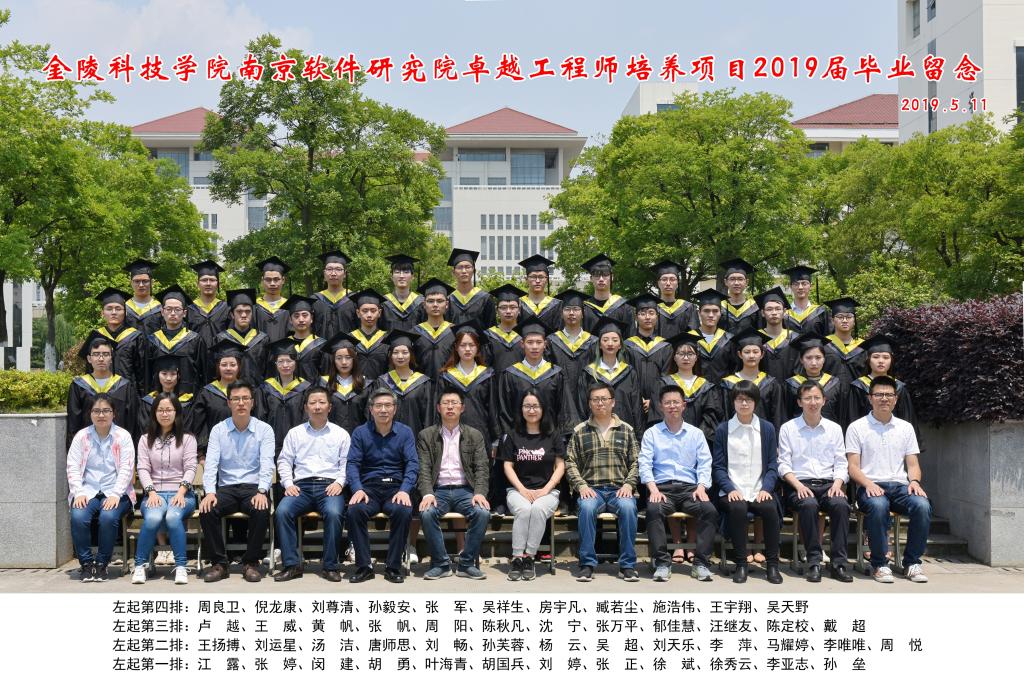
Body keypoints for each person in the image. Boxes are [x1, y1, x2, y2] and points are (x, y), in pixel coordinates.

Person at [846, 375, 932, 584]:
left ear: (896, 399)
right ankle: (880, 564)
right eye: (879, 395)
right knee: (878, 506)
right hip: (869, 486)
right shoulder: (857, 427)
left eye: (888, 395)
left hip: (900, 486)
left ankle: (912, 563)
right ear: (870, 398)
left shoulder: (905, 427)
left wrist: (915, 482)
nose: (884, 398)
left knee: (922, 505)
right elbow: (852, 467)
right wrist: (868, 484)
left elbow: (913, 465)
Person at [640, 384, 720, 582]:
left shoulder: (695, 433)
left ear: (684, 405)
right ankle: (662, 563)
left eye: (676, 402)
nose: (672, 406)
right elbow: (645, 463)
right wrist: (653, 489)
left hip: (689, 490)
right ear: (660, 406)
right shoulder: (652, 433)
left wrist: (701, 487)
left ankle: (701, 563)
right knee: (653, 510)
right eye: (667, 403)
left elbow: (705, 463)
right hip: (662, 489)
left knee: (709, 510)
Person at [199, 380, 275, 583]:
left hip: (253, 487)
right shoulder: (218, 430)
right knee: (207, 509)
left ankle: (251, 563)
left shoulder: (264, 430)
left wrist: (262, 491)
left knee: (261, 509)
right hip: (227, 488)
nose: (241, 403)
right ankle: (219, 564)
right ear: (228, 402)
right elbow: (211, 464)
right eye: (236, 399)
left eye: (245, 398)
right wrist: (210, 492)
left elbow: (267, 464)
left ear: (252, 402)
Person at [273, 386, 351, 583]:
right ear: (306, 407)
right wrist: (288, 483)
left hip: (329, 486)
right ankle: (292, 565)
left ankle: (330, 566)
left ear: (329, 407)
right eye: (313, 403)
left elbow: (347, 463)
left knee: (334, 513)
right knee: (282, 512)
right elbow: (284, 461)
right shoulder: (295, 433)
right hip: (301, 487)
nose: (317, 407)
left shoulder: (340, 434)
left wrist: (340, 482)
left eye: (322, 402)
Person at [778, 382, 853, 583]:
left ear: (824, 401)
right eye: (808, 398)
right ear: (799, 402)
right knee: (809, 505)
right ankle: (813, 562)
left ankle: (838, 564)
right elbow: (783, 464)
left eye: (817, 398)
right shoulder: (788, 428)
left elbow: (841, 462)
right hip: (799, 484)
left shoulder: (834, 429)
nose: (813, 402)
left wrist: (838, 484)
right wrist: (798, 486)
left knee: (841, 505)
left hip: (829, 484)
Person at [565, 384, 640, 583]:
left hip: (619, 489)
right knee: (587, 508)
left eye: (604, 399)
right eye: (595, 399)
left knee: (628, 508)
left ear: (612, 402)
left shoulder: (626, 430)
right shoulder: (580, 431)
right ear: (589, 403)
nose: (600, 403)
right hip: (592, 490)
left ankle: (627, 565)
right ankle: (587, 564)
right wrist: (581, 486)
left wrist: (629, 485)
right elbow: (570, 462)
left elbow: (636, 462)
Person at [712, 380, 784, 584]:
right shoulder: (724, 429)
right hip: (732, 490)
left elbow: (772, 464)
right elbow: (718, 467)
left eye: (749, 400)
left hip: (759, 489)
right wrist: (729, 488)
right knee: (738, 508)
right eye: (739, 399)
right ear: (733, 402)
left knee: (770, 508)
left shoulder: (767, 429)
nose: (744, 404)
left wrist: (766, 488)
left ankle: (772, 565)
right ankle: (741, 563)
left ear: (756, 402)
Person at [346, 388, 420, 583]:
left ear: (395, 409)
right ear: (371, 409)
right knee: (354, 510)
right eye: (378, 406)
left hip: (395, 488)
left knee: (403, 510)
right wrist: (357, 489)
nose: (383, 410)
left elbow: (412, 464)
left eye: (388, 405)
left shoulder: (405, 432)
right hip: (368, 488)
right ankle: (364, 566)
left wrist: (404, 490)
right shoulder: (360, 432)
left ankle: (393, 566)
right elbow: (352, 463)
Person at [416, 388, 491, 580]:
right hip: (438, 491)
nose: (450, 407)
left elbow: (482, 468)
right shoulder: (426, 435)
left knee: (482, 512)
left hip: (465, 491)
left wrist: (479, 492)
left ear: (462, 408)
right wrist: (427, 493)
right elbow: (423, 469)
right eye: (446, 403)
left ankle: (466, 564)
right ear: (438, 408)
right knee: (427, 512)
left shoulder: (474, 435)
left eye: (454, 403)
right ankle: (441, 564)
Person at [66, 394, 136, 582]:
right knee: (78, 516)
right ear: (90, 414)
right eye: (96, 411)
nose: (101, 415)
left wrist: (115, 494)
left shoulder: (123, 436)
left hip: (117, 492)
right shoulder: (82, 436)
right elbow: (72, 466)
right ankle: (86, 564)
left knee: (108, 517)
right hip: (87, 491)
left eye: (106, 411)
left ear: (114, 413)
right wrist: (78, 492)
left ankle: (102, 564)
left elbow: (127, 468)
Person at [131, 393, 198, 585]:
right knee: (152, 518)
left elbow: (190, 467)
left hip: (182, 493)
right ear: (154, 413)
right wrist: (151, 492)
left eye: (169, 409)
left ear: (176, 412)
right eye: (160, 410)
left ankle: (181, 566)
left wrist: (181, 492)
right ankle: (140, 565)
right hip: (155, 494)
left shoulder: (188, 439)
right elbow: (143, 468)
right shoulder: (145, 439)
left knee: (173, 517)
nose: (165, 414)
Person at [499, 390, 565, 581]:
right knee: (524, 509)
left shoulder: (553, 435)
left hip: (548, 491)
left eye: (535, 406)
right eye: (527, 406)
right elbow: (507, 466)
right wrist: (522, 489)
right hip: (517, 490)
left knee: (537, 509)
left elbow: (561, 465)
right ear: (521, 409)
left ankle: (529, 557)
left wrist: (546, 489)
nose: (531, 410)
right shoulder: (513, 435)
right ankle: (517, 558)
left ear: (543, 409)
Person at [498, 319, 575, 439]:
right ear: (522, 344)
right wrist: (508, 436)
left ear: (545, 344)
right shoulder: (510, 374)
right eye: (530, 342)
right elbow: (505, 410)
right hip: (519, 439)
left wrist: (561, 438)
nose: (534, 347)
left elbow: (564, 408)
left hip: (550, 437)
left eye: (539, 342)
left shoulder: (555, 374)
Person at [67, 332, 138, 449]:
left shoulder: (124, 386)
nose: (101, 358)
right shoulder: (79, 386)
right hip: (88, 448)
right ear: (89, 359)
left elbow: (132, 423)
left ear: (111, 358)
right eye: (96, 354)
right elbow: (73, 424)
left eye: (105, 354)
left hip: (118, 448)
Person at [194, 339, 262, 458]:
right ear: (218, 367)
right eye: (224, 365)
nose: (228, 368)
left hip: (246, 450)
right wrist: (202, 453)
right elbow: (200, 425)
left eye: (233, 364)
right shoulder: (207, 393)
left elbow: (257, 420)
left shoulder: (249, 392)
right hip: (215, 451)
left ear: (239, 367)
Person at [579, 317, 646, 437]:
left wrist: (638, 435)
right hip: (595, 432)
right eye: (605, 340)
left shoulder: (629, 373)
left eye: (615, 340)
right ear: (600, 345)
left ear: (620, 345)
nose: (610, 343)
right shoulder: (589, 373)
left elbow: (636, 407)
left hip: (625, 432)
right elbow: (582, 406)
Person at [143, 285, 207, 396]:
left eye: (177, 309)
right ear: (162, 312)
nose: (173, 313)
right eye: (168, 309)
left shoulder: (195, 340)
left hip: (189, 400)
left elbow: (204, 374)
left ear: (184, 313)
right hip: (159, 400)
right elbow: (146, 375)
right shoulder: (152, 340)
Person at [721, 330, 786, 431]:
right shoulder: (728, 384)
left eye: (755, 352)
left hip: (763, 435)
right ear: (740, 354)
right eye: (747, 352)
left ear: (762, 354)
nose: (751, 356)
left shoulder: (771, 384)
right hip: (734, 435)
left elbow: (778, 416)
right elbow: (725, 415)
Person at [371, 331, 434, 436]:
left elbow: (428, 416)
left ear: (411, 355)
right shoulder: (382, 382)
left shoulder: (423, 383)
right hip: (386, 439)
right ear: (390, 355)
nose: (400, 356)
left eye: (405, 352)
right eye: (395, 352)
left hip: (415, 437)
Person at [261, 339, 313, 458]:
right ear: (275, 363)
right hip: (271, 444)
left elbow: (307, 417)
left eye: (289, 361)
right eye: (280, 361)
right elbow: (261, 416)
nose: (285, 365)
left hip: (299, 444)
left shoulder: (305, 388)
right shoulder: (266, 388)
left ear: (295, 362)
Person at [544, 290, 597, 406]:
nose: (571, 313)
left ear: (582, 314)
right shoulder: (552, 341)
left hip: (587, 401)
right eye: (567, 309)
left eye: (576, 309)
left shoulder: (593, 342)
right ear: (561, 313)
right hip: (559, 400)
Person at [625, 293, 672, 420]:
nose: (647, 317)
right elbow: (626, 374)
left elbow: (667, 376)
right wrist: (637, 398)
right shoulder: (627, 345)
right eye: (642, 313)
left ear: (657, 317)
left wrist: (654, 399)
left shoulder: (665, 346)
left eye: (651, 313)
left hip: (659, 404)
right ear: (636, 317)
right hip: (633, 402)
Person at [784, 333, 847, 425]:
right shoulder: (791, 384)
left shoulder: (834, 383)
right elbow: (786, 415)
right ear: (801, 360)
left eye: (818, 357)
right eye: (808, 358)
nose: (814, 363)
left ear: (824, 359)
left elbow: (841, 415)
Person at [93, 287, 145, 392]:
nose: (113, 312)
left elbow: (142, 372)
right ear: (102, 313)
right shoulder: (96, 336)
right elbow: (90, 370)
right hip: (102, 394)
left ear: (125, 313)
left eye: (118, 309)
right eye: (109, 309)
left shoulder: (135, 337)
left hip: (129, 394)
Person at [215, 288, 271, 386]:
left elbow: (268, 371)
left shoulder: (262, 339)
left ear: (252, 314)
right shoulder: (221, 339)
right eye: (239, 311)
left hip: (257, 391)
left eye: (248, 311)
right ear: (232, 315)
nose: (244, 315)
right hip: (230, 391)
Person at [320, 331, 368, 435]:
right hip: (330, 438)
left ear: (354, 358)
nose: (344, 362)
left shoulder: (365, 384)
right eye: (339, 358)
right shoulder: (324, 384)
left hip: (358, 439)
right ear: (333, 360)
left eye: (348, 357)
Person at [138, 355, 195, 436]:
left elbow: (187, 430)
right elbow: (145, 429)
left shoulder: (187, 402)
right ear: (157, 375)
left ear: (179, 376)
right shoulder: (148, 402)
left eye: (173, 374)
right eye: (164, 373)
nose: (168, 378)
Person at [412, 278, 456, 381]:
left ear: (447, 304)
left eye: (440, 301)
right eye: (430, 301)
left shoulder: (455, 332)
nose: (435, 305)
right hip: (421, 386)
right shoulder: (414, 333)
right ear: (424, 305)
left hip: (449, 386)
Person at [754, 286, 800, 383]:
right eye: (769, 309)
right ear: (762, 313)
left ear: (784, 312)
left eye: (778, 309)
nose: (774, 313)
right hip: (762, 389)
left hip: (790, 389)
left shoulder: (795, 339)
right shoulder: (756, 338)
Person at [688, 289, 734, 383]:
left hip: (724, 389)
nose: (711, 315)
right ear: (699, 313)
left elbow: (734, 369)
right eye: (706, 311)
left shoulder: (729, 339)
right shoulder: (689, 339)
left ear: (720, 313)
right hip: (697, 390)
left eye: (715, 311)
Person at [581, 253, 634, 335]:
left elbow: (630, 337)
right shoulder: (584, 307)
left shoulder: (625, 307)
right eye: (596, 274)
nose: (601, 279)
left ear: (612, 277)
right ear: (591, 279)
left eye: (605, 274)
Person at [311, 250, 356, 339]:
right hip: (321, 347)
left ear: (345, 274)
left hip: (347, 347)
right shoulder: (314, 300)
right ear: (324, 274)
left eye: (338, 269)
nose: (333, 273)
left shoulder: (354, 299)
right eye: (329, 269)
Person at [446, 248, 495, 329]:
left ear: (474, 270)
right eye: (460, 267)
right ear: (453, 272)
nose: (464, 271)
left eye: (467, 267)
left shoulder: (485, 298)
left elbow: (491, 329)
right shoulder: (448, 300)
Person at [186, 260, 230, 350]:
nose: (208, 283)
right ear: (197, 284)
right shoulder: (189, 309)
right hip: (195, 356)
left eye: (212, 280)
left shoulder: (226, 308)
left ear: (218, 284)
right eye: (204, 280)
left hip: (220, 356)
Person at [283, 295, 327, 382]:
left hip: (315, 390)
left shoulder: (322, 345)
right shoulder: (284, 345)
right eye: (296, 316)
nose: (301, 319)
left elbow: (326, 375)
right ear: (290, 320)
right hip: (290, 390)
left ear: (311, 319)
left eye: (305, 315)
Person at [823, 297, 867, 386]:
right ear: (832, 320)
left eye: (849, 317)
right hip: (831, 393)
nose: (844, 320)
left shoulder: (863, 346)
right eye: (840, 317)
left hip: (857, 393)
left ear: (854, 321)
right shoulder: (824, 344)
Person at [349, 289, 390, 380]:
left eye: (373, 311)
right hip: (356, 387)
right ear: (358, 313)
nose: (369, 315)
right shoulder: (350, 339)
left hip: (382, 387)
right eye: (365, 311)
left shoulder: (387, 339)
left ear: (379, 313)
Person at [483, 284, 525, 373]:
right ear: (497, 310)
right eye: (503, 307)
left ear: (519, 310)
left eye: (513, 307)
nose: (508, 311)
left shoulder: (526, 335)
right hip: (495, 381)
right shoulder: (488, 336)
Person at [782, 265, 833, 337]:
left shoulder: (821, 312)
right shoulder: (784, 314)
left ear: (811, 286)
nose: (800, 287)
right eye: (796, 284)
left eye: (804, 284)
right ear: (791, 287)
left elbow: (830, 338)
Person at [652, 260, 697, 338]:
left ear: (677, 283)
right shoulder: (651, 308)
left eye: (672, 279)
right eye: (664, 279)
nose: (668, 283)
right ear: (658, 283)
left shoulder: (688, 308)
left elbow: (694, 336)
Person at [381, 254, 426, 333]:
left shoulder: (421, 303)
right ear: (391, 277)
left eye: (406, 272)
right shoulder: (383, 303)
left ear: (412, 277)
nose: (401, 276)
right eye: (397, 272)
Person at [518, 254, 562, 331]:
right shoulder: (519, 304)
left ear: (547, 280)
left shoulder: (557, 304)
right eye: (533, 277)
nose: (537, 281)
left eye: (541, 277)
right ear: (526, 279)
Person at [254, 257, 291, 342]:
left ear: (283, 280)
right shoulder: (254, 306)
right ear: (262, 280)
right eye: (268, 280)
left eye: (276, 279)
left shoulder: (289, 306)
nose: (272, 283)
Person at [719, 258, 760, 334]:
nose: (736, 283)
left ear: (746, 282)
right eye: (732, 279)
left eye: (740, 279)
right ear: (726, 282)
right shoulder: (719, 306)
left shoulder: (754, 307)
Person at [123, 258, 162, 336]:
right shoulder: (123, 308)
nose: (141, 285)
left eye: (145, 281)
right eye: (137, 281)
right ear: (131, 283)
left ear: (151, 282)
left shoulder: (160, 308)